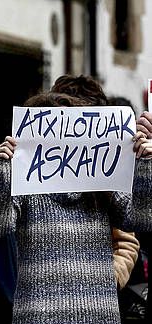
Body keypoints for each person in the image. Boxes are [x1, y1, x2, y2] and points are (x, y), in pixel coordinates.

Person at [0, 92, 152, 324]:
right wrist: (4, 171)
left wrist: (145, 164)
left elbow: (141, 217)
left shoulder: (105, 181)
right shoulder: (24, 182)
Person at [50, 75, 140, 291]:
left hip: (96, 303)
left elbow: (126, 241)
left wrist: (110, 279)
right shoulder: (33, 169)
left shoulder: (109, 173)